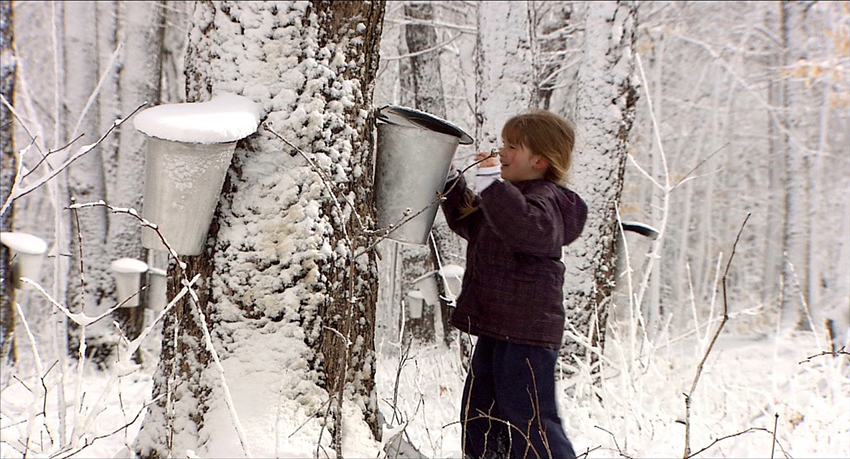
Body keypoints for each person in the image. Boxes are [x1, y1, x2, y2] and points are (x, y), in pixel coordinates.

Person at [441, 109, 587, 459]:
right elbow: (472, 222)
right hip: (498, 328)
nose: (502, 151)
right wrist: (447, 179)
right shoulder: (510, 200)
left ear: (539, 160)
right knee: (480, 416)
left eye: (513, 146)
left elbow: (528, 230)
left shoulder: (546, 199)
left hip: (527, 334)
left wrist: (493, 184)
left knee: (530, 419)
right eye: (503, 143)